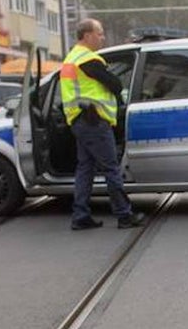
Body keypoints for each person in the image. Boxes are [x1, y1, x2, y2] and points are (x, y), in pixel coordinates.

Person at [60, 18, 145, 231]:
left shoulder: (71, 59)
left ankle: (80, 216)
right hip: (94, 120)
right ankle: (124, 215)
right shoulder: (87, 59)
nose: (102, 37)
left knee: (85, 169)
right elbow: (114, 84)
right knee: (110, 168)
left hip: (79, 120)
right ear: (87, 35)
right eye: (99, 33)